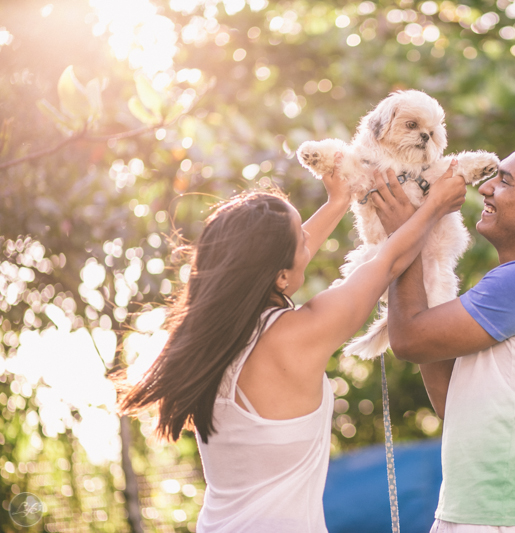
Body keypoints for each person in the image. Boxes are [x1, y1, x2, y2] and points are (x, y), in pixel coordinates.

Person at [115, 155, 467, 532]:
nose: (308, 240)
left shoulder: (205, 340)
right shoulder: (297, 334)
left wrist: (337, 203)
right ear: (281, 276)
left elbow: (274, 261)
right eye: (301, 238)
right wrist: (435, 204)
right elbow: (389, 261)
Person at [373, 142, 515, 532]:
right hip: (478, 514)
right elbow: (449, 403)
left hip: (504, 520)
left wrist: (408, 231)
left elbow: (406, 339)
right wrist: (417, 243)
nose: (486, 188)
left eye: (504, 182)